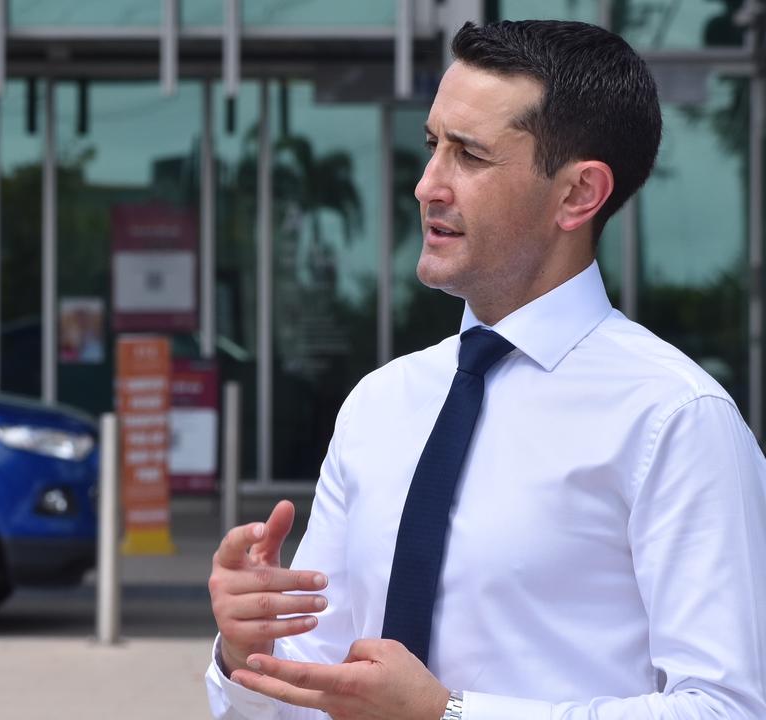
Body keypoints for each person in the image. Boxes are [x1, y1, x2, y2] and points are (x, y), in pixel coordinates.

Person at [207, 19, 766, 720]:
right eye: (432, 145)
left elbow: (726, 709)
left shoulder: (675, 420)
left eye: (469, 155)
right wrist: (242, 653)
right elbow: (317, 692)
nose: (426, 186)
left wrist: (450, 715)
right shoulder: (381, 404)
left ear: (577, 195)